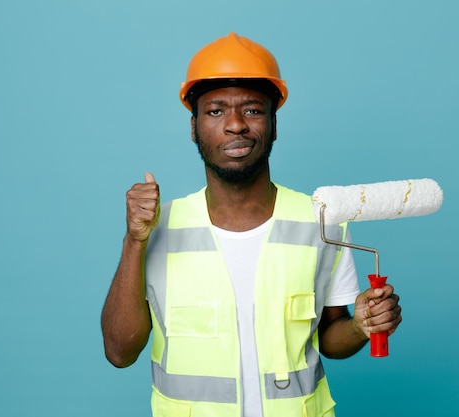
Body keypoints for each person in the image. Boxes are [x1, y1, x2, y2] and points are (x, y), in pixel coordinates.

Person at [101, 32, 402, 417]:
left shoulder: (322, 220)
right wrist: (133, 241)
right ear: (193, 128)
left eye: (253, 110)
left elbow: (331, 337)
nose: (236, 125)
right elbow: (119, 352)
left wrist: (361, 325)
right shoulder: (158, 228)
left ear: (274, 124)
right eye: (215, 111)